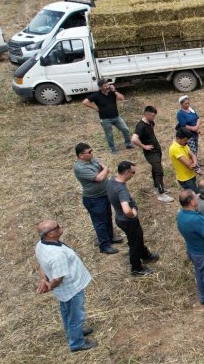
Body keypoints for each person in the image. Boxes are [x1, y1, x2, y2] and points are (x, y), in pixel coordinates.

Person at [35, 220, 97, 352]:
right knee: (76, 316)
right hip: (71, 289)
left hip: (64, 292)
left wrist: (43, 279)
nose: (60, 227)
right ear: (50, 234)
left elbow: (41, 264)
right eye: (56, 227)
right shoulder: (57, 255)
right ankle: (77, 343)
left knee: (67, 312)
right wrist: (49, 286)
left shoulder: (40, 245)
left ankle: (75, 332)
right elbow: (58, 278)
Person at [108, 161, 160, 276]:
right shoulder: (121, 190)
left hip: (120, 218)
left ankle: (145, 255)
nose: (133, 174)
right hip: (128, 221)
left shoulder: (112, 181)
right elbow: (126, 210)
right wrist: (133, 213)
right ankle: (136, 268)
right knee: (134, 243)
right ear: (126, 172)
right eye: (133, 172)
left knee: (138, 239)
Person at [73, 143, 122, 254]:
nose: (92, 153)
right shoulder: (80, 168)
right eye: (89, 152)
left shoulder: (92, 160)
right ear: (81, 155)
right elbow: (99, 177)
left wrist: (103, 171)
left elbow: (102, 171)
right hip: (94, 199)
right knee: (100, 222)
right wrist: (105, 169)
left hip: (103, 195)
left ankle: (110, 237)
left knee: (107, 216)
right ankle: (104, 245)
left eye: (91, 150)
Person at [131, 106, 174, 203]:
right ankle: (161, 194)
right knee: (159, 171)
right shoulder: (140, 126)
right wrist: (144, 146)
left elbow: (152, 127)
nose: (154, 118)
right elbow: (134, 139)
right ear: (146, 115)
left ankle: (156, 187)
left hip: (156, 150)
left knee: (155, 170)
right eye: (152, 116)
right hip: (151, 153)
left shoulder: (150, 122)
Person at [82, 79, 133, 153]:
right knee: (109, 135)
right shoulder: (96, 95)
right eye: (105, 86)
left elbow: (122, 98)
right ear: (100, 87)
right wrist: (95, 107)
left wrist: (115, 91)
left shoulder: (112, 92)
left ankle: (128, 144)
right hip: (105, 119)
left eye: (108, 85)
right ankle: (113, 149)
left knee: (125, 129)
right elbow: (85, 102)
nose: (107, 87)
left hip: (116, 117)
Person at [176, 95, 203, 173]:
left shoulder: (191, 110)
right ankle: (195, 166)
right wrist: (193, 128)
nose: (188, 105)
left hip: (195, 133)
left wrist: (197, 127)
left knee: (196, 148)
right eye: (186, 104)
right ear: (181, 104)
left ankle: (196, 162)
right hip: (188, 135)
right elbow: (183, 125)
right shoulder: (180, 114)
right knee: (192, 150)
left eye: (188, 103)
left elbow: (198, 118)